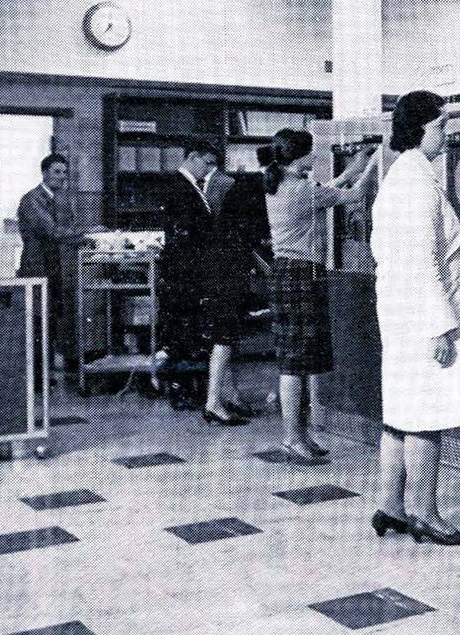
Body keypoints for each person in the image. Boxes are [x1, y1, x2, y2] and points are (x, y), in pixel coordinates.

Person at [370, 91, 460, 546]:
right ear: (420, 129)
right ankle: (426, 514)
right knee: (427, 415)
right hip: (423, 313)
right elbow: (423, 262)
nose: (445, 136)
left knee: (400, 413)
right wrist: (441, 325)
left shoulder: (399, 178)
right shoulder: (416, 183)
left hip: (399, 311)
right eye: (441, 126)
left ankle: (389, 506)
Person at [262, 129, 374, 461]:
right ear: (300, 157)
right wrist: (375, 162)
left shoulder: (282, 183)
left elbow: (329, 189)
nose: (315, 158)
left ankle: (297, 435)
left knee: (296, 359)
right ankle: (293, 438)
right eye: (311, 154)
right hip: (300, 274)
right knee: (295, 362)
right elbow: (355, 196)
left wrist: (353, 168)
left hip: (288, 272)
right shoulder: (301, 190)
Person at [157, 139, 250, 424]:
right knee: (201, 335)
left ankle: (224, 395)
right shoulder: (181, 188)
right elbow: (189, 239)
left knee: (214, 336)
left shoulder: (191, 187)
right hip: (190, 277)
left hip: (192, 275)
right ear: (192, 158)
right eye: (207, 163)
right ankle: (207, 398)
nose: (210, 170)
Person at [17, 153, 86, 380]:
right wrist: (88, 234)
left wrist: (89, 237)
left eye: (65, 172)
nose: (62, 177)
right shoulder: (31, 200)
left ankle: (43, 374)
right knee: (38, 323)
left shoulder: (60, 200)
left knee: (51, 322)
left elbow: (68, 230)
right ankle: (36, 377)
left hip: (54, 270)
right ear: (44, 173)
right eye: (57, 172)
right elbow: (54, 231)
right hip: (36, 271)